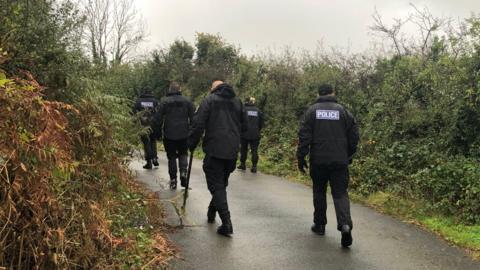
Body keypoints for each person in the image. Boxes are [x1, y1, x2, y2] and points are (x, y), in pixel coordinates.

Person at [297, 83, 359, 248]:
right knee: (340, 194)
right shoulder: (344, 111)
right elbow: (354, 135)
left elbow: (304, 136)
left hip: (318, 160)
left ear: (318, 94)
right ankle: (345, 225)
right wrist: (348, 155)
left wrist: (301, 157)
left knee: (319, 191)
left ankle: (319, 225)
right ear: (333, 93)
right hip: (339, 160)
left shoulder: (311, 112)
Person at [188, 80, 245, 236]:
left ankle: (227, 223)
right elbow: (244, 125)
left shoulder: (209, 100)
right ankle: (212, 211)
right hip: (232, 151)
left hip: (215, 149)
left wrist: (192, 143)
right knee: (221, 183)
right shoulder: (237, 101)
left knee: (216, 185)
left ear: (213, 88)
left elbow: (198, 124)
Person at [156, 82, 195, 189]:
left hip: (169, 134)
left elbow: (158, 119)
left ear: (170, 90)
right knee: (183, 154)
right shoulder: (187, 101)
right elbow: (193, 119)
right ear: (179, 90)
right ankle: (183, 173)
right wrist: (193, 134)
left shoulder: (164, 102)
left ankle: (173, 180)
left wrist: (158, 133)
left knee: (171, 157)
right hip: (184, 133)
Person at [133, 88, 160, 169]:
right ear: (151, 92)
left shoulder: (138, 101)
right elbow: (158, 112)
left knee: (146, 142)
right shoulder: (155, 101)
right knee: (153, 141)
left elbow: (134, 112)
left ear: (143, 92)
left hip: (143, 125)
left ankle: (149, 162)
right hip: (153, 125)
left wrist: (135, 123)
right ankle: (154, 158)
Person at [238, 97, 264, 173]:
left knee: (243, 149)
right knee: (254, 150)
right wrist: (257, 130)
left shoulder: (243, 110)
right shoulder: (258, 110)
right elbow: (261, 123)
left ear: (246, 102)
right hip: (255, 134)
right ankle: (254, 166)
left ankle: (242, 164)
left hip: (244, 133)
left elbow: (240, 121)